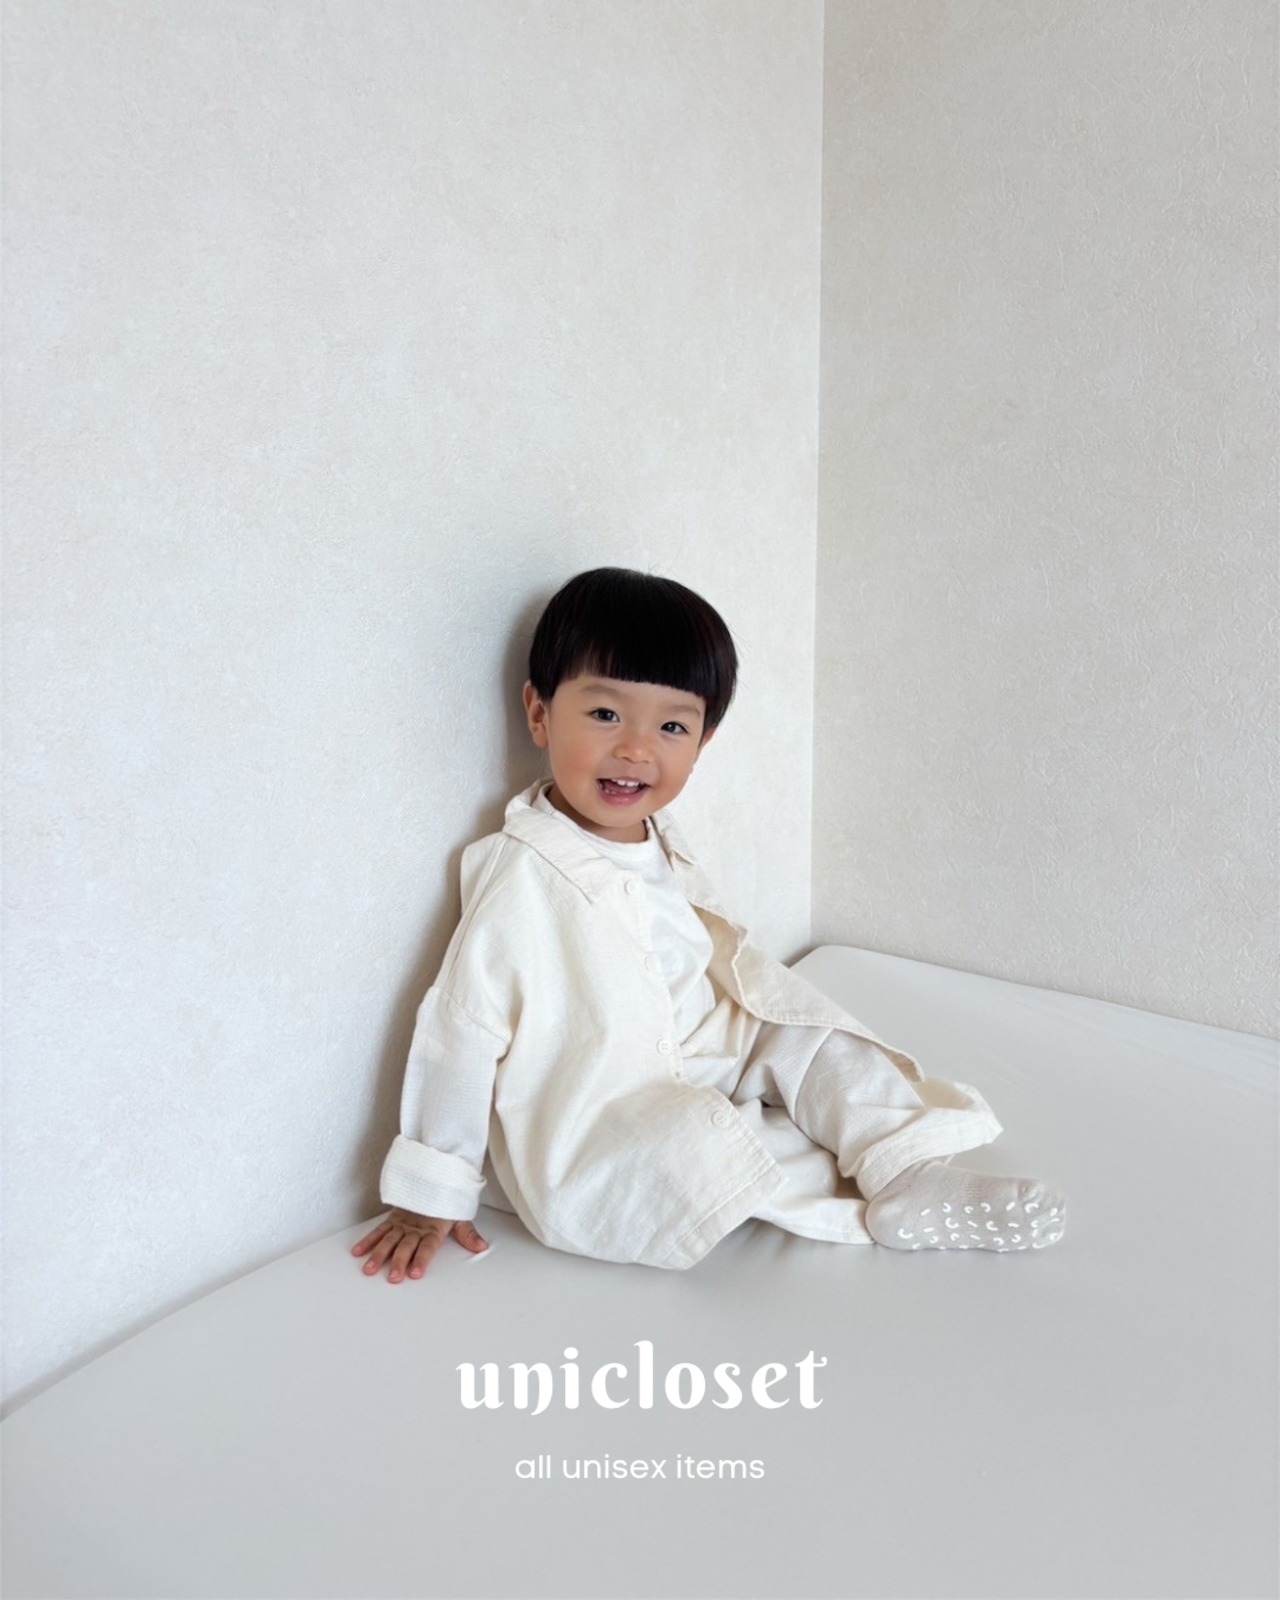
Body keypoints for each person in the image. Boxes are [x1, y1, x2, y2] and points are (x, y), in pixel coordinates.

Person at [353, 568, 1066, 1283]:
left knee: (819, 1042)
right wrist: (430, 1195)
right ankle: (870, 1205)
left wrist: (754, 1036)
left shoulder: (659, 835)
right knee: (712, 1157)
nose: (636, 749)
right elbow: (461, 1032)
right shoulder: (520, 876)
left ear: (703, 740)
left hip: (715, 1040)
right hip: (618, 1091)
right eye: (605, 714)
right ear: (540, 714)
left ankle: (908, 1169)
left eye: (671, 726)